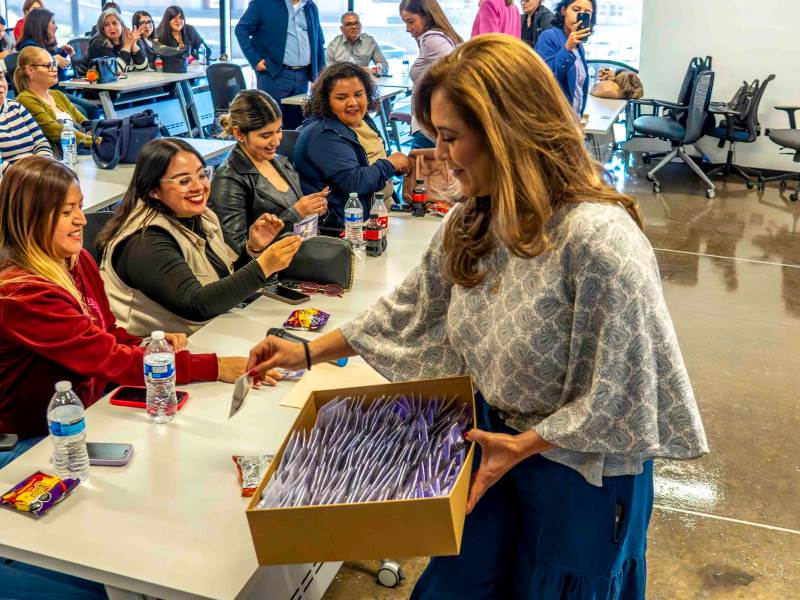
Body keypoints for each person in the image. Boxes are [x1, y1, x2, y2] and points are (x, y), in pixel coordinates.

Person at [247, 35, 708, 599]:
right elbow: (410, 308)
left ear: (509, 133)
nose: (437, 155)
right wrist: (305, 351)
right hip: (494, 439)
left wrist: (527, 444)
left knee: (554, 587)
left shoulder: (598, 242)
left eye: (449, 137)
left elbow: (627, 392)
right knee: (459, 582)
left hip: (579, 468)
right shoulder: (476, 217)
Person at [96, 138, 303, 336]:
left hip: (209, 331)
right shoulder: (145, 241)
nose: (199, 186)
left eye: (202, 174)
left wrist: (254, 249)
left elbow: (224, 281)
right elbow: (196, 305)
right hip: (157, 357)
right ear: (153, 190)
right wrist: (263, 266)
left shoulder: (201, 215)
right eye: (184, 180)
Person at [208, 89, 329, 268]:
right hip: (267, 282)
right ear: (239, 134)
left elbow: (297, 224)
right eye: (266, 135)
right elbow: (235, 257)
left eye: (278, 131)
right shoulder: (228, 180)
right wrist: (295, 214)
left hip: (299, 263)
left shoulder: (279, 162)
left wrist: (315, 211)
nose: (276, 141)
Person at [293, 62, 410, 229]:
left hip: (379, 207)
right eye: (341, 98)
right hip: (348, 225)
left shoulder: (362, 120)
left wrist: (396, 168)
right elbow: (354, 182)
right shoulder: (324, 133)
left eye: (358, 94)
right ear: (326, 100)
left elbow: (375, 161)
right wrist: (390, 164)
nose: (353, 103)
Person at [234, 0, 325, 130]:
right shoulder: (263, 3)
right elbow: (241, 30)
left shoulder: (310, 6)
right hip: (275, 74)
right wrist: (255, 60)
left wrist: (320, 73)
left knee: (297, 125)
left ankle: (291, 151)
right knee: (271, 122)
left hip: (302, 76)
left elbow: (318, 40)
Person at [399, 0, 462, 150]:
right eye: (405, 22)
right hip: (431, 122)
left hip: (428, 124)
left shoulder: (433, 40)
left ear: (426, 16)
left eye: (411, 21)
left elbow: (454, 77)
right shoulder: (437, 37)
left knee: (418, 171)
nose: (407, 29)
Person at [16, 8, 100, 120]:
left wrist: (62, 52)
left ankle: (92, 133)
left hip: (57, 92)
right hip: (45, 94)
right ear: (42, 25)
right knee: (82, 111)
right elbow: (39, 64)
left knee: (92, 108)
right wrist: (54, 58)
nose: (56, 27)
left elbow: (48, 61)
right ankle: (86, 135)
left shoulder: (41, 44)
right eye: (53, 22)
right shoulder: (29, 46)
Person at [14, 47, 93, 151]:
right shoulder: (25, 100)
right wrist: (96, 141)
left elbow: (84, 123)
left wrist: (102, 134)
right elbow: (56, 132)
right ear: (30, 70)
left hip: (81, 149)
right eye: (48, 66)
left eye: (54, 64)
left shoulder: (57, 94)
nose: (55, 69)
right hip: (62, 159)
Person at [535, 0, 594, 115]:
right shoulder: (548, 37)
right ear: (563, 11)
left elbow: (578, 87)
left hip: (573, 117)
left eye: (587, 13)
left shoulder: (579, 46)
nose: (580, 16)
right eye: (576, 10)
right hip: (553, 118)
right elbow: (546, 78)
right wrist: (567, 48)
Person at [0, 74, 53, 165]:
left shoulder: (15, 107)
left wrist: (44, 166)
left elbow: (41, 142)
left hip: (38, 170)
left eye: (0, 77)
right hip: (13, 177)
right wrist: (32, 173)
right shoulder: (25, 99)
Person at [88, 8, 148, 73]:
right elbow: (114, 72)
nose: (111, 27)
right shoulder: (97, 45)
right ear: (103, 29)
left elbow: (144, 69)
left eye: (114, 23)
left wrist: (133, 45)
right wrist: (127, 46)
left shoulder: (129, 39)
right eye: (106, 25)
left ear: (122, 25)